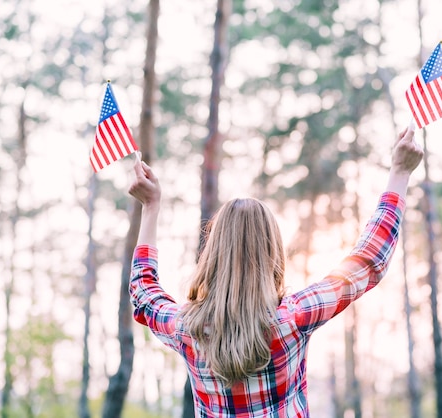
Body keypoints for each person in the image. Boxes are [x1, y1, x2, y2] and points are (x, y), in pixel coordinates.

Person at [128, 126, 424, 417]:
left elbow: (144, 295)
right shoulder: (293, 319)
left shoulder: (187, 329)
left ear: (213, 255)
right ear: (272, 253)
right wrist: (399, 173)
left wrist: (151, 207)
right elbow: (370, 259)